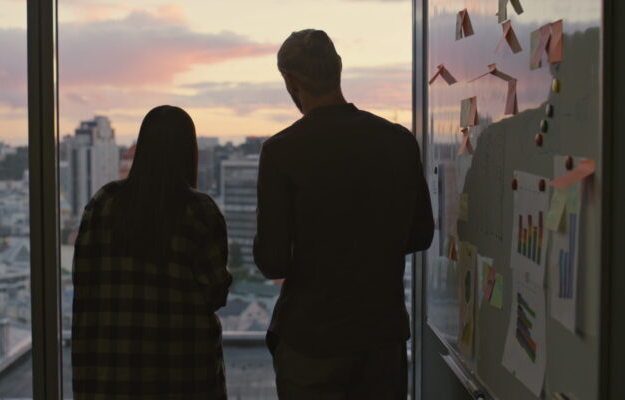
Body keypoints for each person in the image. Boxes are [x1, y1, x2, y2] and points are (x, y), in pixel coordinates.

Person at [253, 29, 434, 400]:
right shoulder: (397, 141)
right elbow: (420, 235)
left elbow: (273, 262)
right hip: (380, 336)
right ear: (337, 70)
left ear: (290, 80)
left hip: (312, 337)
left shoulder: (282, 152)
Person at [72, 105, 232, 400]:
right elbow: (215, 293)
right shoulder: (199, 211)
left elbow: (84, 284)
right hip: (182, 372)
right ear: (188, 151)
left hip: (112, 373)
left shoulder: (103, 202)